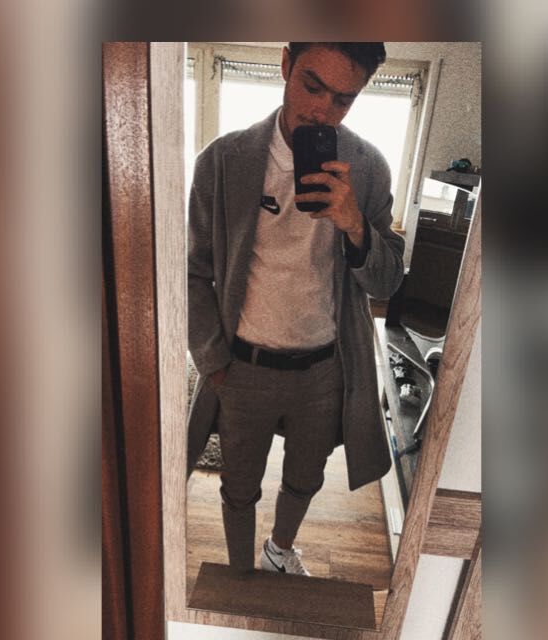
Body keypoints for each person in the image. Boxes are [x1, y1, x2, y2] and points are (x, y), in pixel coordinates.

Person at [187, 42, 405, 576]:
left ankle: (278, 553)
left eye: (342, 100)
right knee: (239, 484)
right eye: (312, 86)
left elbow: (388, 280)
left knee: (306, 477)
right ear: (286, 65)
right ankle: (241, 574)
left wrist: (355, 225)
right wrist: (213, 361)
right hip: (242, 366)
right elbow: (192, 272)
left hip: (325, 369)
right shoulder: (222, 161)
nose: (322, 111)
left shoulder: (368, 169)